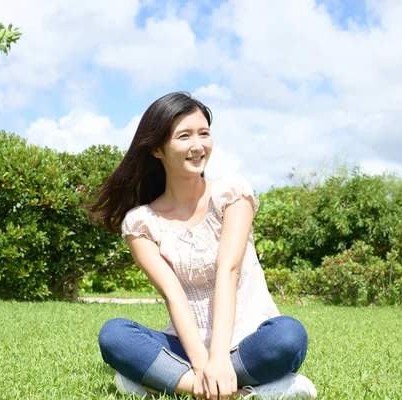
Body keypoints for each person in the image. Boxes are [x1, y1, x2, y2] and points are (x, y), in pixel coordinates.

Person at [86, 92, 317, 399]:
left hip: (250, 339)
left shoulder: (231, 193)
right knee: (114, 336)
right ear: (157, 148)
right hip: (188, 347)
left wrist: (220, 358)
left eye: (204, 134)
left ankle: (161, 384)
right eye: (184, 136)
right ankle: (241, 393)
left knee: (288, 336)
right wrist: (203, 363)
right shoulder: (142, 223)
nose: (198, 146)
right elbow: (174, 295)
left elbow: (229, 270)